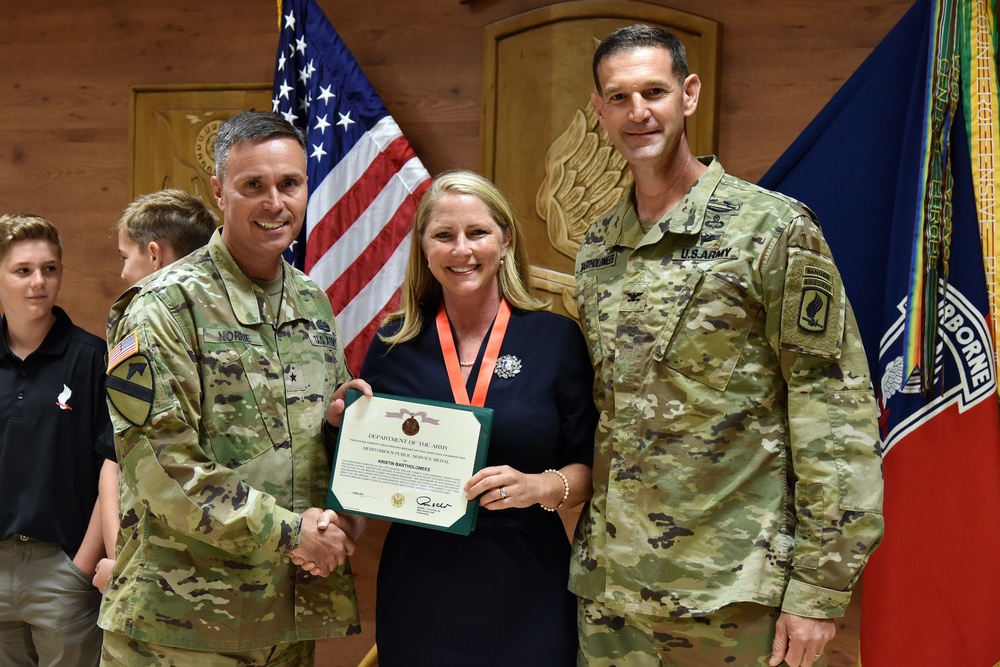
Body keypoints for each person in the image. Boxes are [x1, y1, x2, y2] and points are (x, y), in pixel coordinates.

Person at [571, 24, 885, 667]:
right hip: (613, 596)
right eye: (619, 97)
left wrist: (820, 588)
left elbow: (834, 413)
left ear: (688, 95)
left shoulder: (772, 228)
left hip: (733, 597)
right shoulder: (599, 249)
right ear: (599, 109)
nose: (639, 113)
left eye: (654, 91)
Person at [98, 111, 363, 666]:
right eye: (253, 186)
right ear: (220, 192)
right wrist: (295, 532)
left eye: (289, 184)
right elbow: (162, 470)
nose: (275, 203)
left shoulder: (311, 302)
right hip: (181, 630)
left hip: (285, 618)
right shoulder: (162, 308)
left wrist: (345, 427)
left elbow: (310, 445)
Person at [358, 170, 596, 666]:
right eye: (444, 235)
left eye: (478, 233)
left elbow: (589, 466)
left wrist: (540, 487)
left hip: (528, 580)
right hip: (419, 583)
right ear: (424, 249)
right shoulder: (391, 346)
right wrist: (345, 423)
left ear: (505, 241)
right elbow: (365, 468)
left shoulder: (556, 339)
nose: (461, 249)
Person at [92, 189, 217, 594]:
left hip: (160, 571)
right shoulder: (233, 318)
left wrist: (122, 561)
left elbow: (142, 461)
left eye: (125, 257)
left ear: (154, 254)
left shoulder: (143, 321)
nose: (124, 273)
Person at [0, 213, 107, 666]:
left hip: (63, 570)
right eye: (23, 270)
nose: (38, 282)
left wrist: (81, 567)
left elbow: (113, 467)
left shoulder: (92, 357)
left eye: (50, 269)